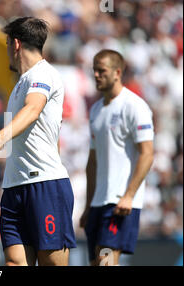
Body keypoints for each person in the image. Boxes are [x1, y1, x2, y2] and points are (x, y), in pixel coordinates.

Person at [0, 17, 76, 266]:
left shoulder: (44, 74)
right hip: (14, 187)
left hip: (44, 184)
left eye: (7, 44)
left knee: (51, 264)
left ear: (15, 44)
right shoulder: (21, 81)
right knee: (14, 263)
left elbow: (33, 109)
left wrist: (1, 136)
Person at [79, 49, 154, 266]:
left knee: (106, 261)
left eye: (101, 70)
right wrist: (87, 205)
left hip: (120, 200)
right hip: (98, 202)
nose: (96, 75)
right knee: (97, 263)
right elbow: (92, 162)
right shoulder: (95, 110)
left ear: (117, 72)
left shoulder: (134, 106)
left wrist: (129, 195)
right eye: (94, 70)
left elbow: (147, 153)